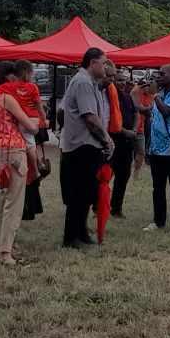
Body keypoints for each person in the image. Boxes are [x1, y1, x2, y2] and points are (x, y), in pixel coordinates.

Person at [0, 60, 45, 265]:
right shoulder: (8, 98)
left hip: (0, 149)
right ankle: (6, 251)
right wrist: (39, 123)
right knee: (14, 203)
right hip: (15, 149)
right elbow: (30, 126)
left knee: (2, 200)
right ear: (9, 77)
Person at [57, 48, 111, 249]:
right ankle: (71, 237)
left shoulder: (90, 83)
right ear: (92, 63)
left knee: (87, 193)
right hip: (82, 146)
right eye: (103, 63)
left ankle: (81, 233)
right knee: (78, 194)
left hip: (86, 145)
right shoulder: (83, 82)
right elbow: (90, 117)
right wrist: (106, 139)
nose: (105, 67)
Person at [142, 63, 170, 234]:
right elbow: (153, 120)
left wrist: (154, 96)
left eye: (163, 74)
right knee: (158, 187)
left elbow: (167, 112)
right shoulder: (160, 94)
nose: (159, 77)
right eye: (158, 73)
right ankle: (158, 221)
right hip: (157, 149)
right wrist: (148, 146)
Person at [105, 62, 141, 222]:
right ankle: (99, 206)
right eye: (119, 80)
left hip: (127, 143)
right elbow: (110, 121)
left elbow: (136, 113)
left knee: (123, 176)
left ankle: (116, 208)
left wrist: (134, 130)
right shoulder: (107, 97)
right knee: (105, 176)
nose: (122, 83)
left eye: (124, 80)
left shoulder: (127, 97)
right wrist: (126, 131)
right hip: (112, 142)